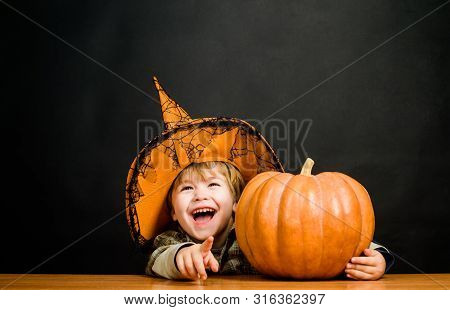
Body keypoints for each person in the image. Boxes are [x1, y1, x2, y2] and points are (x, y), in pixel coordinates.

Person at [145, 161, 394, 281]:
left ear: (236, 204)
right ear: (174, 212)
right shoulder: (175, 239)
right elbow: (159, 258)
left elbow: (334, 240)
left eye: (212, 185)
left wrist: (378, 258)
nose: (200, 195)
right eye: (187, 188)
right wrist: (182, 256)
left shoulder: (256, 229)